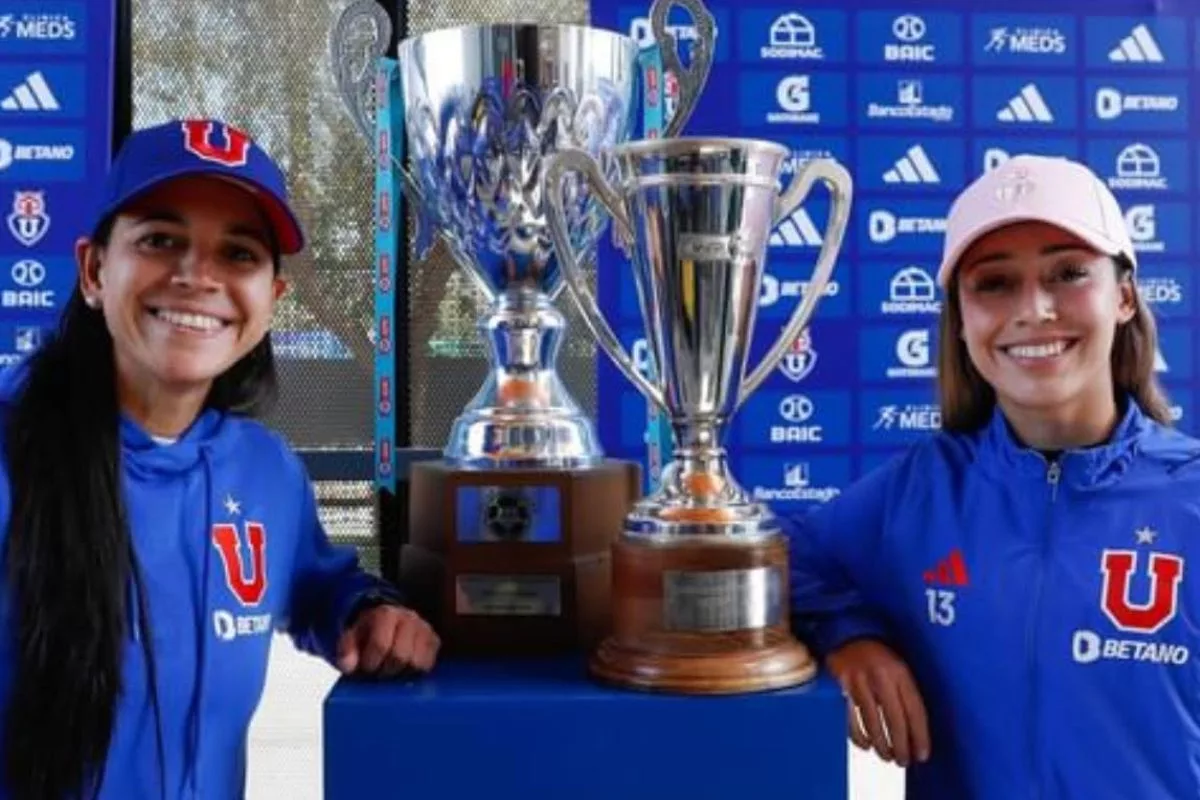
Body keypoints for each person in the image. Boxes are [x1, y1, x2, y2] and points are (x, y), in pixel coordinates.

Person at [0, 118, 440, 799]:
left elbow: (320, 588)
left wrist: (370, 611)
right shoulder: (14, 451)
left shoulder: (267, 473)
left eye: (238, 254)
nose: (197, 277)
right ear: (93, 270)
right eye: (160, 240)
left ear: (272, 300)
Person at [785, 154, 1200, 799]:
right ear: (960, 319)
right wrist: (849, 635)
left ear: (1123, 296)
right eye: (995, 283)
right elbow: (779, 557)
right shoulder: (918, 494)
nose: (1034, 309)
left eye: (1068, 273)